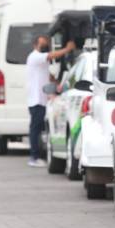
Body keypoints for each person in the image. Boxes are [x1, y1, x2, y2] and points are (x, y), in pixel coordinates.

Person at [26, 35, 76, 168]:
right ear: (35, 45)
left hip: (42, 100)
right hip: (36, 100)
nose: (45, 46)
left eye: (46, 44)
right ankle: (33, 157)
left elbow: (48, 75)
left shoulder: (42, 61)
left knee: (39, 129)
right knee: (35, 130)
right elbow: (51, 55)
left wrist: (57, 84)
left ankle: (37, 155)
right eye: (42, 44)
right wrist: (67, 49)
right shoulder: (35, 56)